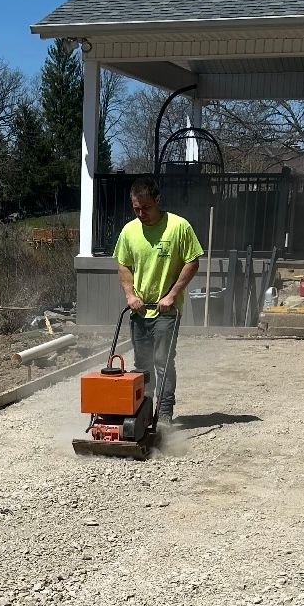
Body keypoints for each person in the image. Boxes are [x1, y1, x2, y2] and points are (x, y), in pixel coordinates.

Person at [113, 177, 203, 425]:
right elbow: (123, 264)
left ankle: (163, 415)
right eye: (136, 208)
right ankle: (142, 410)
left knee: (162, 361)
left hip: (167, 310)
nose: (141, 213)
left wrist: (172, 294)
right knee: (142, 363)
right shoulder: (129, 231)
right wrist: (130, 296)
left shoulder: (178, 227)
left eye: (146, 207)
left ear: (158, 200)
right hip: (139, 311)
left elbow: (192, 261)